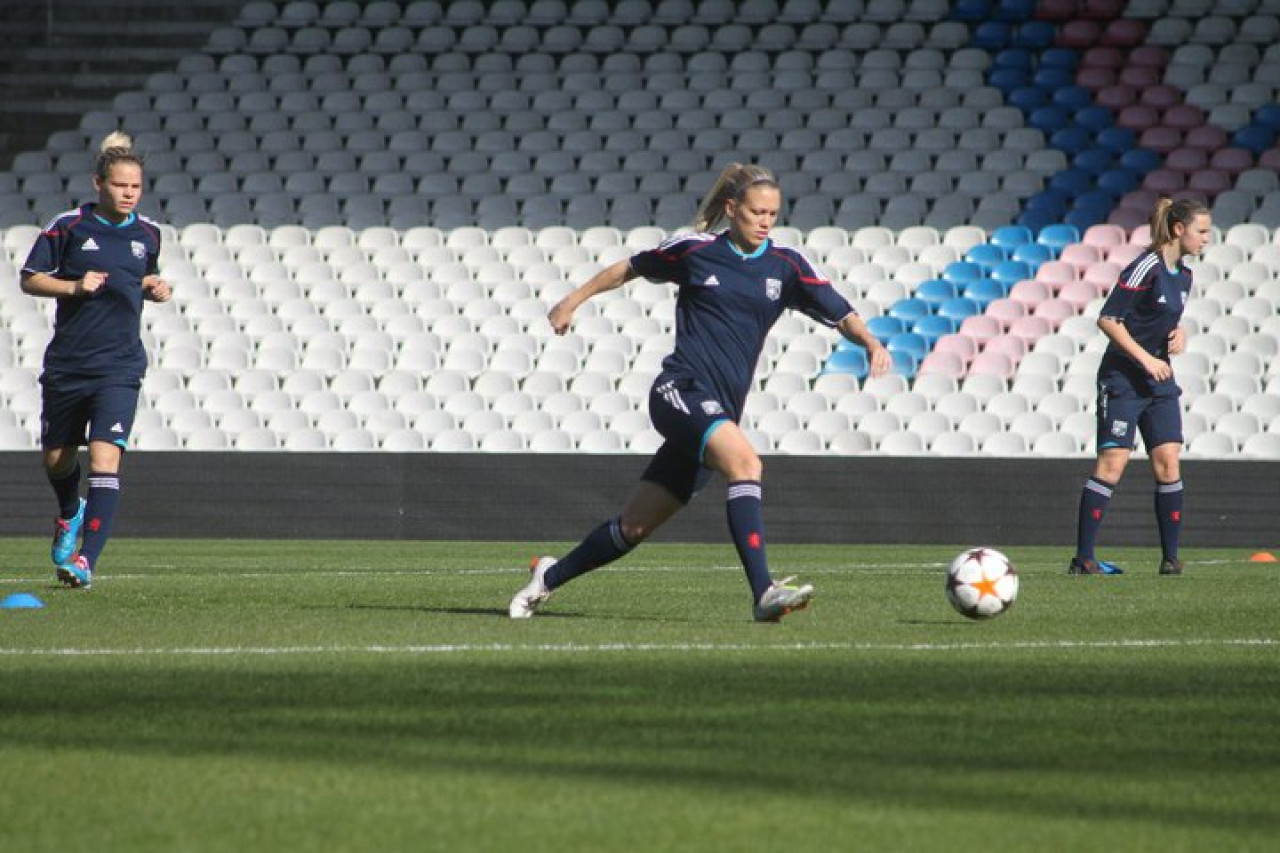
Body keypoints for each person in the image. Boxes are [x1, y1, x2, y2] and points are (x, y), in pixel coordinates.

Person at [509, 163, 891, 622]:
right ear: (732, 210)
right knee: (747, 464)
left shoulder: (786, 266)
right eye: (756, 212)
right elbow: (626, 269)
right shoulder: (694, 249)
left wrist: (869, 341)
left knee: (631, 528)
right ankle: (763, 592)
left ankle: (547, 579)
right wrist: (571, 301)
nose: (766, 221)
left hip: (716, 412)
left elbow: (839, 311)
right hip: (679, 390)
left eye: (773, 213)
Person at [19, 130, 172, 589]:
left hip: (120, 367)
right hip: (68, 364)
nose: (129, 194)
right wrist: (73, 286)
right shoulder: (68, 227)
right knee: (57, 460)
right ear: (99, 184)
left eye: (136, 187)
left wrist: (154, 287)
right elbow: (30, 278)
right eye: (121, 185)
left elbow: (140, 276)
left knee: (106, 460)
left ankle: (85, 562)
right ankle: (70, 511)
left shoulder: (149, 234)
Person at [1069, 197, 1211, 577]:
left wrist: (1178, 335)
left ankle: (1170, 559)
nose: (1206, 239)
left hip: (1159, 382)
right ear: (1179, 229)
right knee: (1113, 463)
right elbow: (1109, 319)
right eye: (1202, 231)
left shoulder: (1184, 276)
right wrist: (1146, 359)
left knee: (1168, 463)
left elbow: (1163, 321)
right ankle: (1083, 558)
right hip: (1123, 379)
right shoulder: (1145, 266)